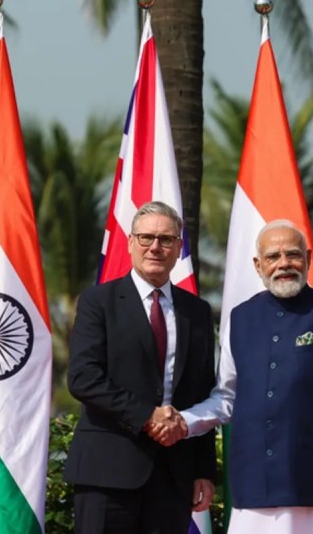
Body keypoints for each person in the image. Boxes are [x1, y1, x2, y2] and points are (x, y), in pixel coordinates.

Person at [172, 219, 313, 534]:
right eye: (273, 256)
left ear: (309, 259)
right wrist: (183, 422)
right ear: (258, 265)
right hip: (253, 491)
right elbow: (226, 398)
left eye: (293, 254)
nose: (284, 263)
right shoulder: (239, 318)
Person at [64, 201, 217, 534]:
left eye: (165, 239)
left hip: (173, 475)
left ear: (179, 248)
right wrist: (147, 415)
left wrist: (204, 469)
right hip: (107, 473)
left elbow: (202, 392)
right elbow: (83, 378)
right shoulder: (98, 302)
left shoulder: (198, 312)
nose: (155, 247)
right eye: (146, 238)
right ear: (130, 243)